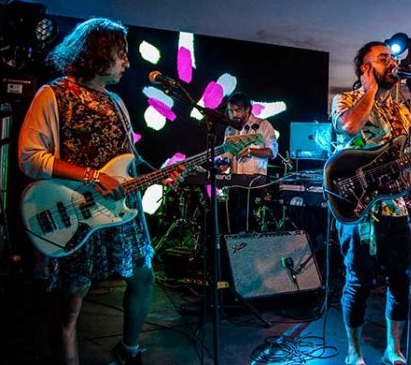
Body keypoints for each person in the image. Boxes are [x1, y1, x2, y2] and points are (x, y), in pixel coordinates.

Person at [18, 18, 181, 365]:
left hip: (119, 210)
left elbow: (129, 160)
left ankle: (129, 352)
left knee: (143, 277)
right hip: (74, 209)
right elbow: (30, 158)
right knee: (71, 302)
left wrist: (160, 175)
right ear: (98, 54)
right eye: (121, 55)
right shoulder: (52, 94)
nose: (127, 63)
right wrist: (92, 176)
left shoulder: (116, 102)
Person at [331, 41, 411, 365]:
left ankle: (394, 350)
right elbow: (349, 127)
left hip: (395, 207)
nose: (392, 62)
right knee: (359, 281)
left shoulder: (402, 110)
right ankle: (354, 353)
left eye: (393, 58)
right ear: (365, 67)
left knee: (403, 282)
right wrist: (370, 89)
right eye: (383, 58)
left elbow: (409, 163)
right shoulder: (346, 100)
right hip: (359, 208)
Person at [220, 92, 278, 231]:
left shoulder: (263, 125)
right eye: (231, 111)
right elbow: (227, 154)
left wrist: (250, 151)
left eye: (237, 110)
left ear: (247, 109)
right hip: (235, 179)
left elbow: (272, 152)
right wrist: (224, 163)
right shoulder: (230, 130)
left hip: (255, 180)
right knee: (231, 219)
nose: (234, 115)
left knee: (248, 218)